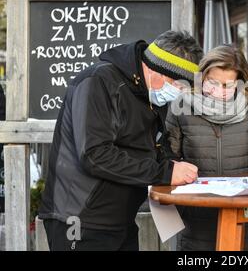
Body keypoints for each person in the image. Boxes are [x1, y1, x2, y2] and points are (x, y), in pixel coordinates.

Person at [39, 31, 203, 251]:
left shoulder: (150, 96)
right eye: (179, 86)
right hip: (80, 220)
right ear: (158, 71)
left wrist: (175, 166)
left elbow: (154, 146)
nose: (179, 93)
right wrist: (165, 172)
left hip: (120, 220)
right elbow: (94, 154)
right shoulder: (98, 82)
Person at [166, 45, 248, 251]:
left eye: (228, 85)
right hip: (197, 219)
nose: (219, 91)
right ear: (202, 76)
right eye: (212, 82)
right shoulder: (181, 107)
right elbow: (169, 157)